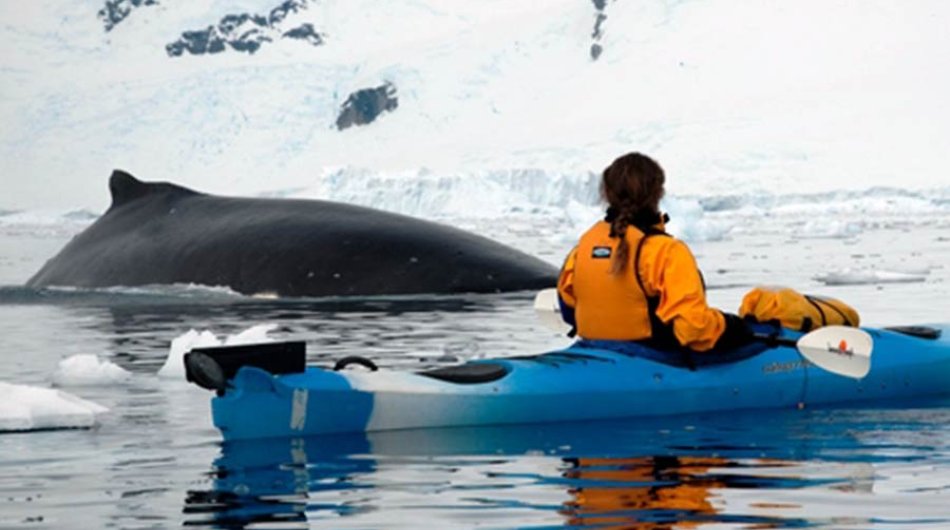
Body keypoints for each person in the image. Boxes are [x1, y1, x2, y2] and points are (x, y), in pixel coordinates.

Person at [557, 152, 751, 353]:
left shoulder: (581, 250)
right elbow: (693, 330)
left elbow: (569, 311)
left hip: (594, 349)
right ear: (658, 192)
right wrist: (732, 325)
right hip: (656, 357)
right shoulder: (666, 252)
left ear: (606, 193)